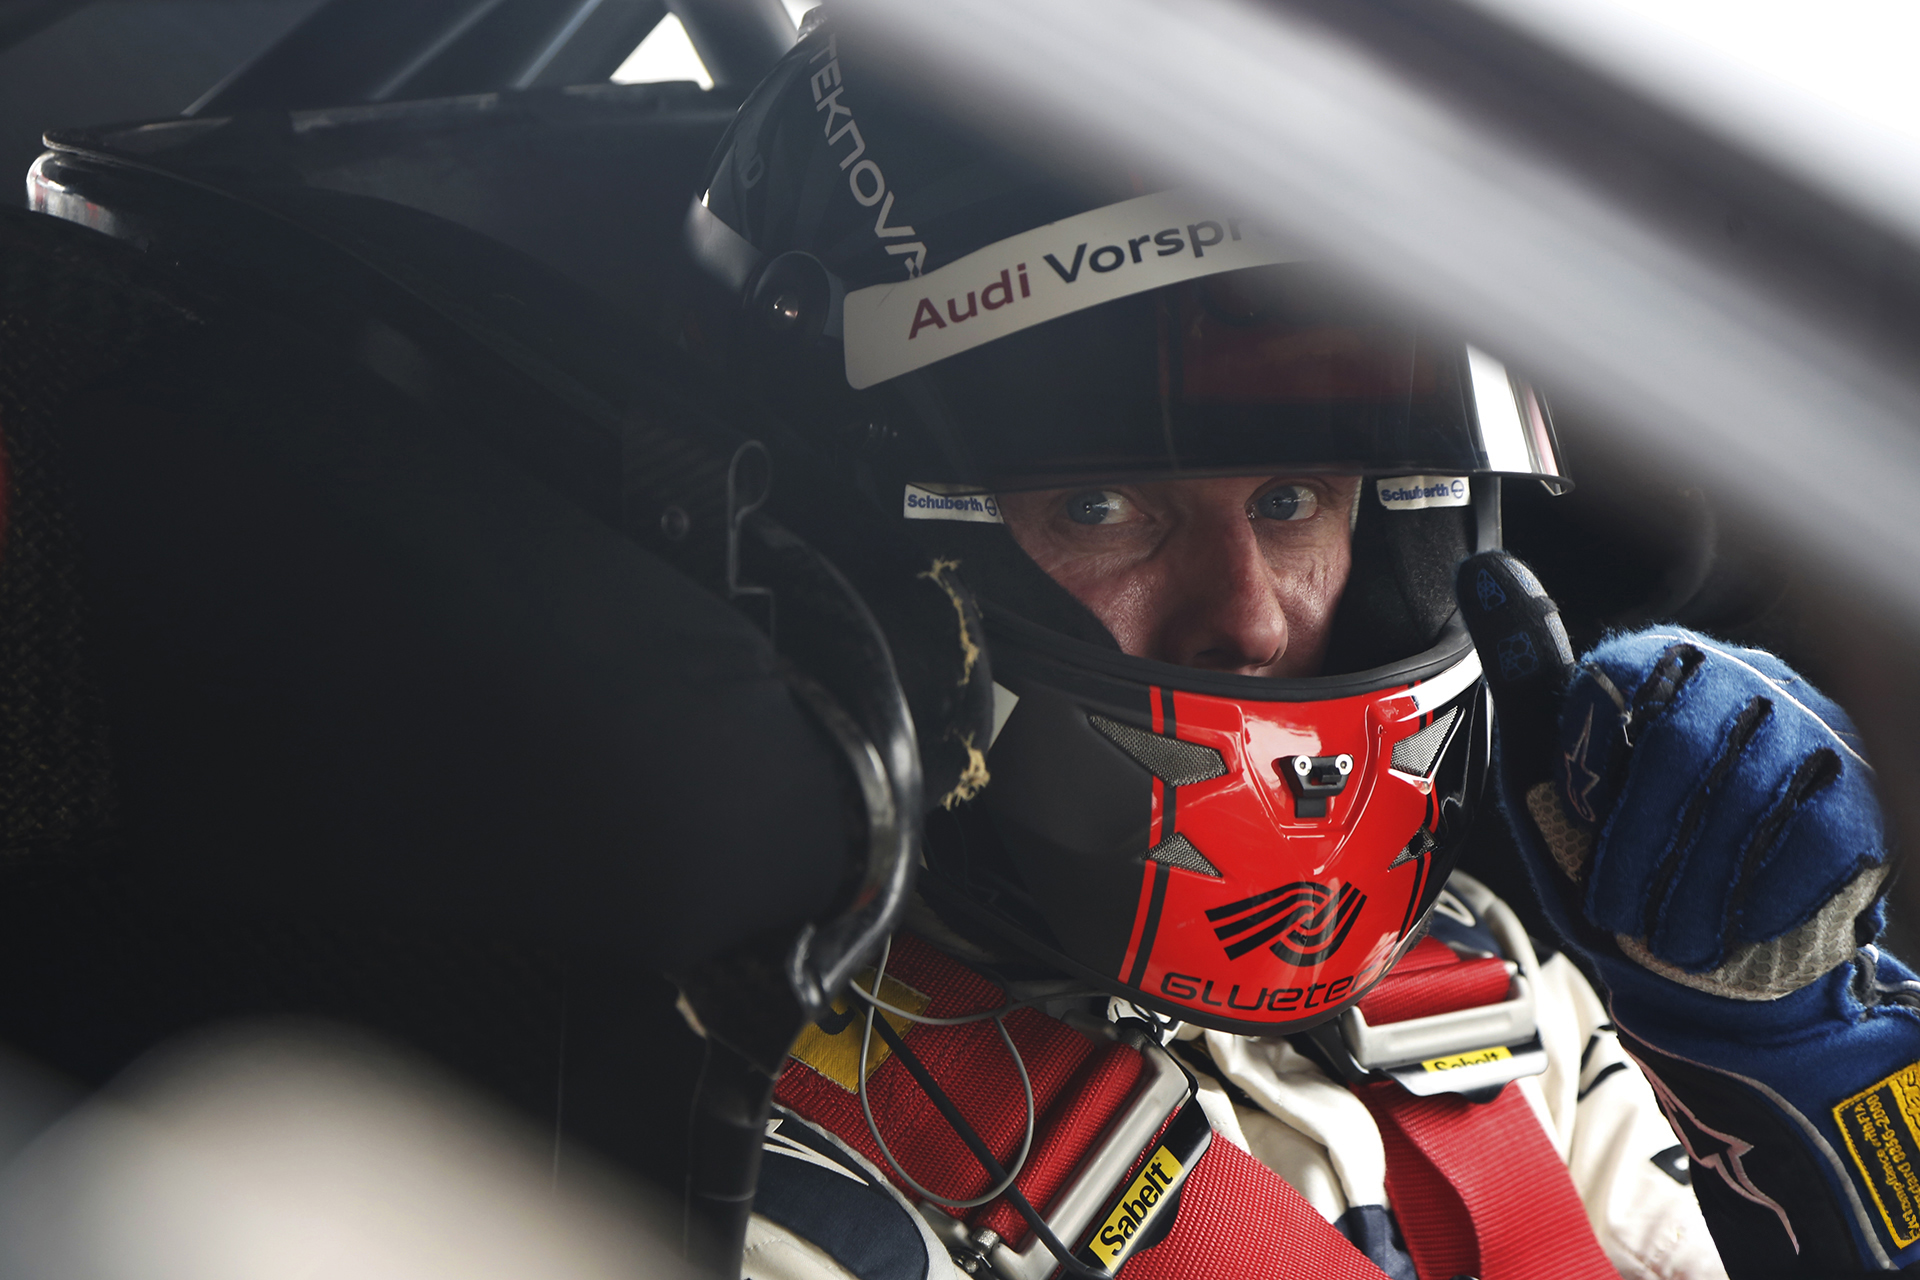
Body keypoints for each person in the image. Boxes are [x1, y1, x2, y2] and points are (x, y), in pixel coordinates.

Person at [687, 14, 1915, 1279]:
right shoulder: (771, 1195)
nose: (1256, 616)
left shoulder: (1497, 983)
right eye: (1101, 507)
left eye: (1291, 499)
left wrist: (1811, 1074)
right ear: (868, 556)